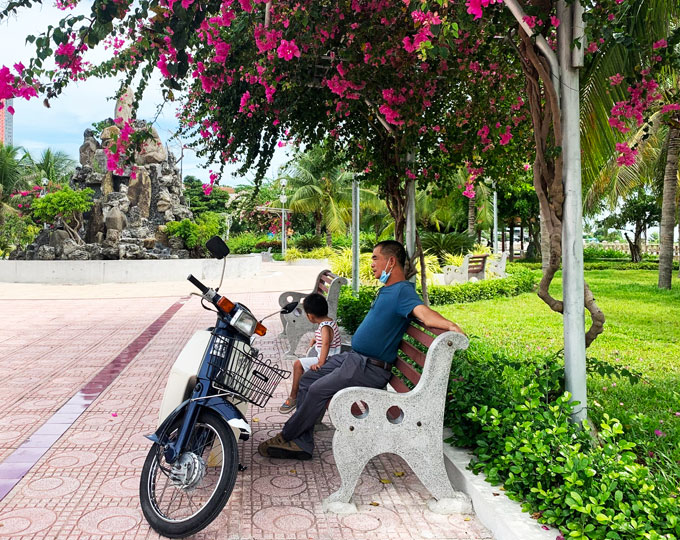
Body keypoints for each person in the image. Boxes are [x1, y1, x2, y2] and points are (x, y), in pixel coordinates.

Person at [258, 240, 464, 460]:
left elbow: (423, 312)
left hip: (368, 367)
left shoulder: (402, 292)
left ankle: (288, 436)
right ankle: (301, 442)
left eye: (375, 258)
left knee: (318, 389)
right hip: (355, 359)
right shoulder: (389, 289)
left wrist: (451, 326)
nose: (372, 263)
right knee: (309, 380)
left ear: (391, 261)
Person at [279, 293, 342, 414]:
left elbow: (326, 344)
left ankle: (293, 397)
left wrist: (321, 363)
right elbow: (326, 339)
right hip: (331, 358)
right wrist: (316, 339)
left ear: (310, 316)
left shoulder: (324, 327)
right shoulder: (329, 322)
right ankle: (296, 397)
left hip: (328, 360)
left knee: (297, 364)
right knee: (301, 365)